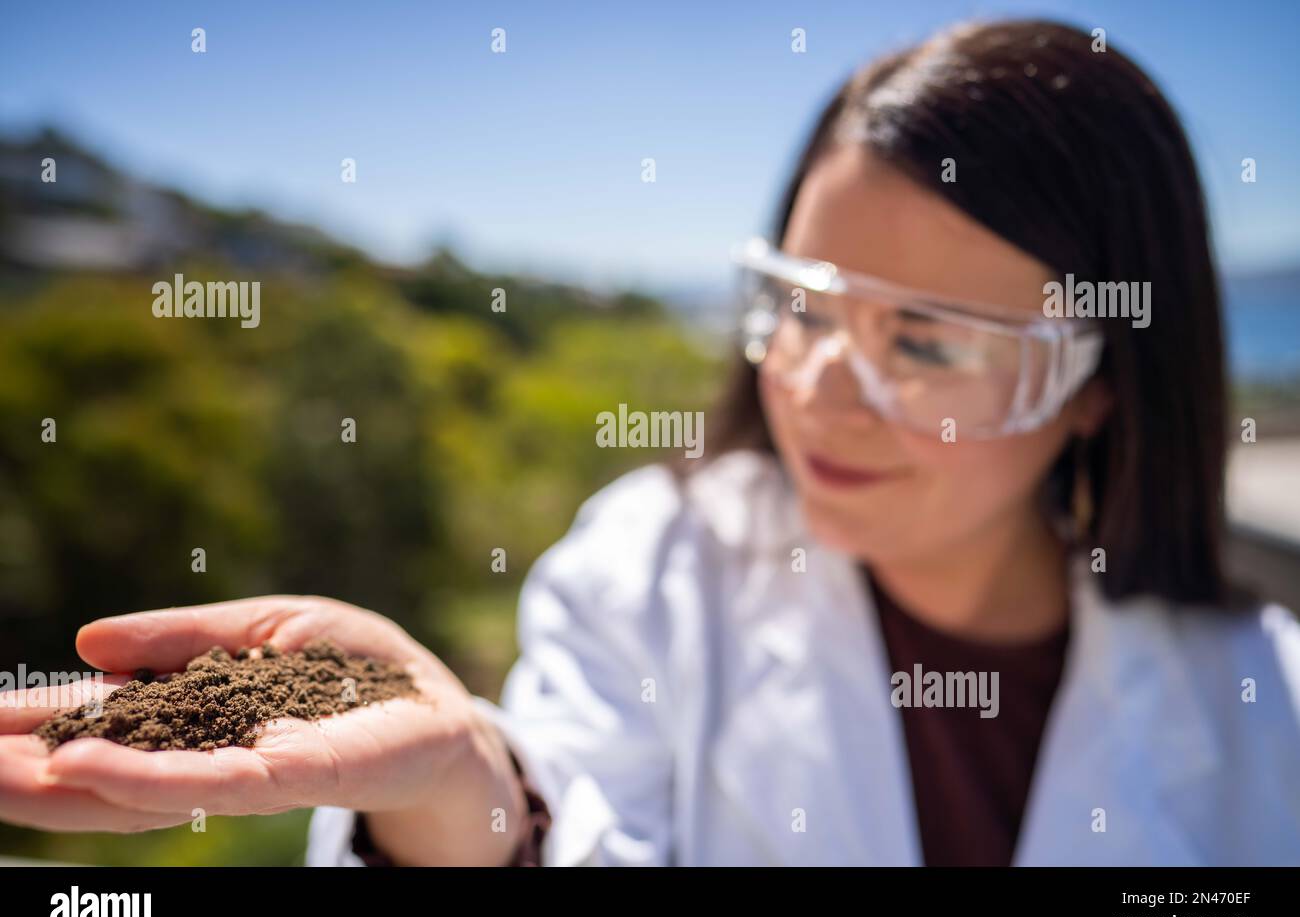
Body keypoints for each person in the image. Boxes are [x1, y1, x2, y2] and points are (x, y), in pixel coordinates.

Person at [2, 19, 1297, 866]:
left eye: (930, 342)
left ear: (1101, 383)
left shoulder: (1266, 701)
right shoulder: (653, 568)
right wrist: (458, 790)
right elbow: (561, 825)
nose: (820, 390)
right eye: (799, 306)